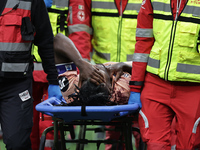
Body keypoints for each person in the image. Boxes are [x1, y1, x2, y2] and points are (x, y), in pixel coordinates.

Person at [67, 0, 143, 149]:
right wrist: (84, 68)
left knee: (142, 131)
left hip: (137, 72)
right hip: (104, 78)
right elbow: (80, 34)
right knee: (114, 135)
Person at [128, 0, 200, 149]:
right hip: (155, 84)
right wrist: (135, 87)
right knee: (155, 145)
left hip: (194, 88)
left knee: (189, 145)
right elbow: (143, 42)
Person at [53, 33, 141, 149]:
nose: (94, 68)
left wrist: (80, 63)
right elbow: (149, 70)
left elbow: (57, 39)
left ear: (79, 83)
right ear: (110, 86)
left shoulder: (71, 90)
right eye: (98, 73)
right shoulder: (122, 88)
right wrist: (125, 66)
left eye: (91, 73)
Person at [0, 0, 62, 149]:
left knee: (18, 144)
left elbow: (45, 40)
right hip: (15, 85)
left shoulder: (30, 1)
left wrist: (54, 81)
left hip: (15, 87)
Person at [30, 0, 69, 149]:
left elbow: (79, 31)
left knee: (49, 122)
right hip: (26, 69)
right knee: (28, 123)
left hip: (56, 70)